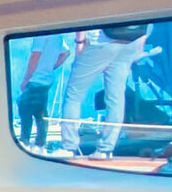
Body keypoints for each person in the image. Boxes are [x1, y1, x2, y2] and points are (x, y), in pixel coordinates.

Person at [55, 24, 152, 158]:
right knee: (116, 99)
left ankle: (68, 147)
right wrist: (139, 47)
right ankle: (105, 150)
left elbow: (85, 17)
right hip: (130, 45)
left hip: (98, 42)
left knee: (74, 96)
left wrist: (80, 42)